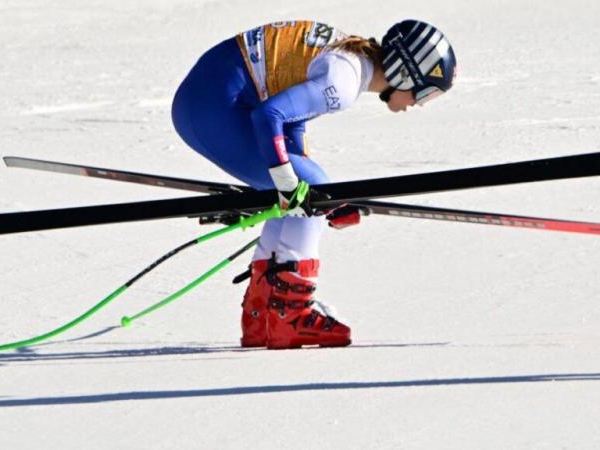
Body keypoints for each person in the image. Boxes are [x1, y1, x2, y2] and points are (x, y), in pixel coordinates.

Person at [171, 19, 457, 349]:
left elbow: (290, 121)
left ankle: (262, 316)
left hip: (209, 101)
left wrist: (318, 199)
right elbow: (270, 116)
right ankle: (290, 316)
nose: (419, 103)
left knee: (307, 191)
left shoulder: (349, 65)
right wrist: (298, 187)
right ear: (404, 71)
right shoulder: (344, 81)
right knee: (311, 187)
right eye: (425, 91)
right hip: (211, 109)